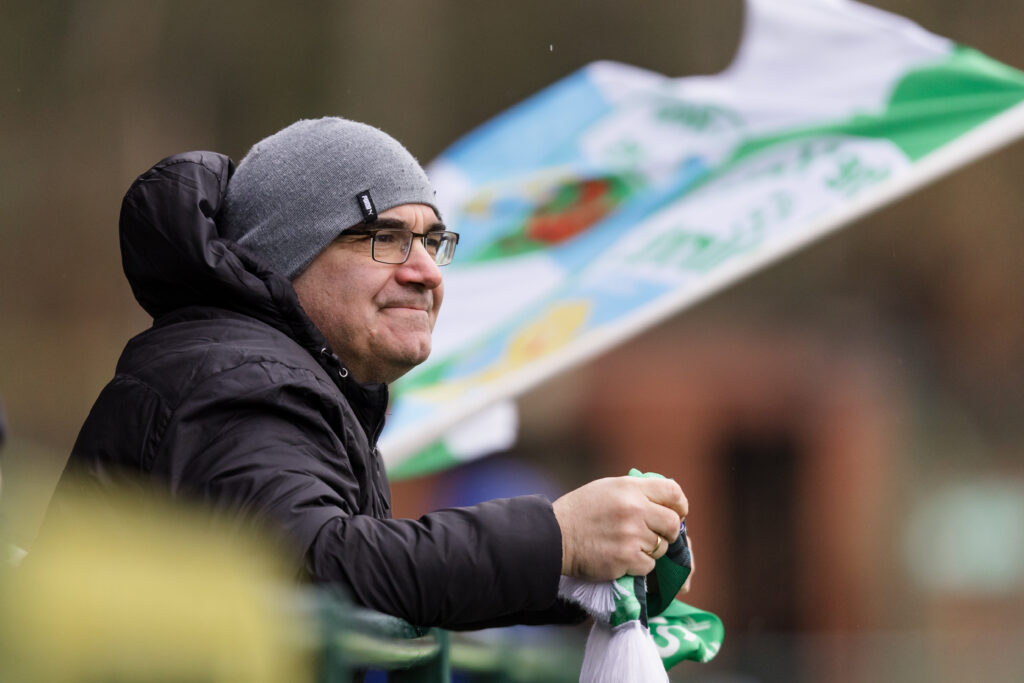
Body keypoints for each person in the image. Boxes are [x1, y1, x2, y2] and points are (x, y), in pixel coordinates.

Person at [42, 117, 688, 629]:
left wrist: (579, 582)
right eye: (385, 237)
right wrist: (557, 540)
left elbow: (361, 576)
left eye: (434, 242)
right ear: (287, 253)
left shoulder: (275, 373)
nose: (427, 271)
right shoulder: (237, 375)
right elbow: (315, 567)